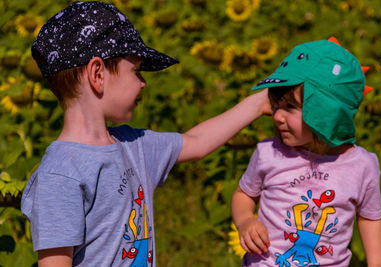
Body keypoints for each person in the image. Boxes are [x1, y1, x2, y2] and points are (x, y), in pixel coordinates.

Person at [20, 1, 270, 266]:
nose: (143, 83)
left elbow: (197, 143)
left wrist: (261, 102)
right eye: (136, 71)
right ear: (97, 74)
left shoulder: (132, 144)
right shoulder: (61, 174)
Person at [231, 39, 381, 267]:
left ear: (327, 114)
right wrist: (245, 221)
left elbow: (370, 218)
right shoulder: (269, 153)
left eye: (290, 108)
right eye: (277, 105)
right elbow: (243, 194)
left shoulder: (362, 166)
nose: (276, 117)